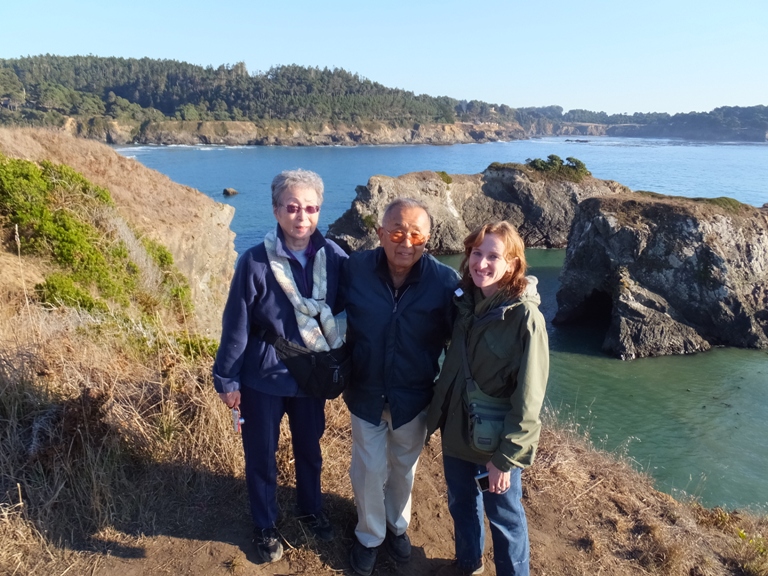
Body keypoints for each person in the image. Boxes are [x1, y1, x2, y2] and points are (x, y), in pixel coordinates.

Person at [212, 169, 347, 563]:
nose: (301, 216)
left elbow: (352, 309)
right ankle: (265, 524)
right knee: (261, 454)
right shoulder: (254, 262)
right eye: (292, 207)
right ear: (275, 210)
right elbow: (236, 323)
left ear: (319, 210)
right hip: (262, 379)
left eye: (310, 208)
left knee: (310, 449)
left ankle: (310, 509)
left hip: (311, 378)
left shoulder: (335, 257)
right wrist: (226, 378)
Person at [342, 197, 459, 576]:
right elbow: (317, 299)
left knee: (403, 468)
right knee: (369, 468)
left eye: (416, 234)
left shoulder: (444, 281)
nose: (405, 242)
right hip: (364, 391)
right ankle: (370, 535)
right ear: (379, 234)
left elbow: (469, 331)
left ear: (428, 239)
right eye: (396, 232)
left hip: (414, 397)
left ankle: (397, 526)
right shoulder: (355, 269)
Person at [426, 221, 549, 576]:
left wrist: (507, 457)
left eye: (494, 256)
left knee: (504, 518)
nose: (482, 263)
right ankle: (468, 565)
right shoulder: (464, 302)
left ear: (512, 264)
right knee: (461, 504)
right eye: (476, 253)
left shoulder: (525, 317)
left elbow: (530, 396)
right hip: (456, 431)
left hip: (494, 440)